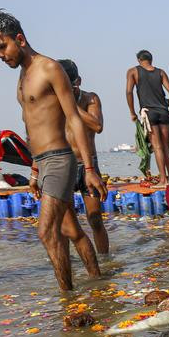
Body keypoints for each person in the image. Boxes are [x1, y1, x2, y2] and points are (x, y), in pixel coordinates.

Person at [0, 9, 102, 292]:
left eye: (1, 47)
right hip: (42, 162)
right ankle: (98, 281)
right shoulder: (22, 77)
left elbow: (74, 118)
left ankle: (67, 297)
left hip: (60, 158)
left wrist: (91, 169)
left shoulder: (49, 68)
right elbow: (30, 126)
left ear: (19, 39)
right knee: (70, 230)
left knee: (46, 231)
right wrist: (33, 169)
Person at [58, 59, 108, 254]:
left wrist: (70, 105)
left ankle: (105, 259)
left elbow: (97, 125)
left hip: (89, 165)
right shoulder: (53, 101)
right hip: (64, 165)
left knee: (95, 218)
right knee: (67, 225)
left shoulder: (90, 99)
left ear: (77, 81)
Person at [125, 50, 169, 185]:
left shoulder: (133, 72)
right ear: (151, 60)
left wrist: (132, 112)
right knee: (166, 146)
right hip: (163, 112)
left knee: (157, 147)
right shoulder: (160, 72)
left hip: (149, 113)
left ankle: (163, 179)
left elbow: (129, 92)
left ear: (138, 60)